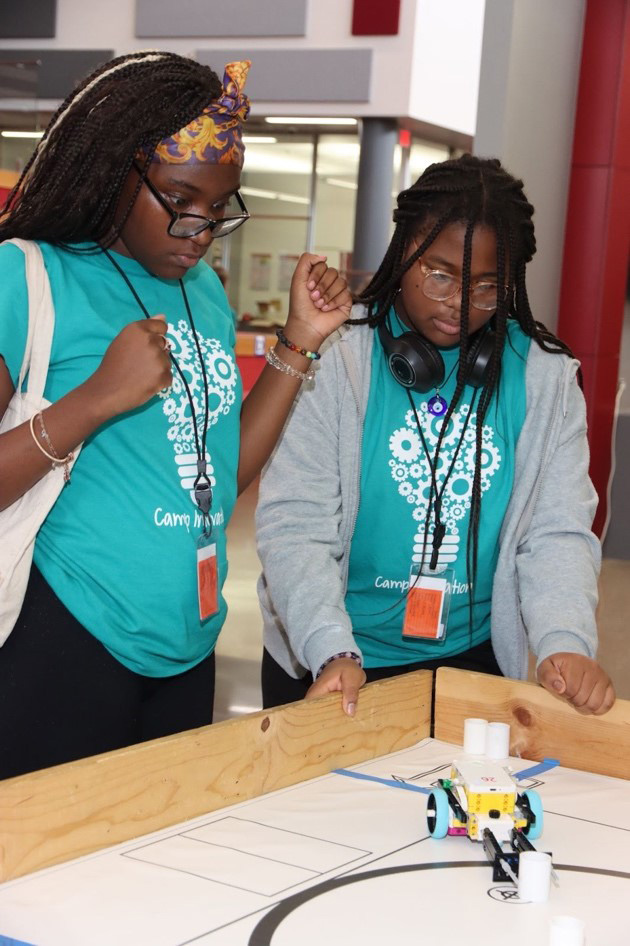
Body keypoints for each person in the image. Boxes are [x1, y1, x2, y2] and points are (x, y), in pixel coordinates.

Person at [0, 51, 351, 779]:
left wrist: (298, 343)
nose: (200, 229)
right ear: (113, 170)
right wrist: (96, 399)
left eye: (220, 208)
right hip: (64, 635)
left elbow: (220, 475)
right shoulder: (27, 275)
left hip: (189, 642)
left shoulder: (203, 292)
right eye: (181, 199)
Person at [256, 154, 616, 719]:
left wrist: (564, 640)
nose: (459, 304)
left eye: (487, 286)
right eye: (441, 275)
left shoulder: (543, 378)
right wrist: (330, 648)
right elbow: (296, 523)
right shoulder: (338, 355)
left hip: (470, 661)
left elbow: (557, 531)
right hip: (333, 656)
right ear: (405, 252)